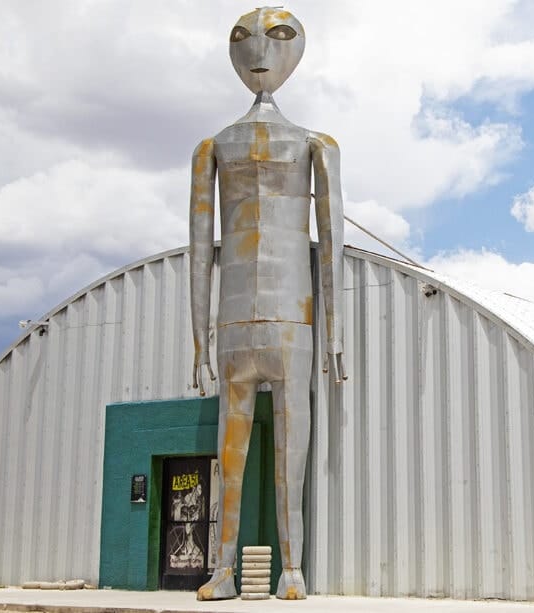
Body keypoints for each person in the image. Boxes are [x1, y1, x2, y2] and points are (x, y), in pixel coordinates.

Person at [188, 6, 345, 601]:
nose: (259, 53)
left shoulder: (315, 144)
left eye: (277, 38)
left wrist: (332, 332)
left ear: (296, 51)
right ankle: (223, 568)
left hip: (292, 320)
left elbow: (330, 243)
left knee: (289, 456)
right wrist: (199, 343)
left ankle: (293, 568)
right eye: (244, 40)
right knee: (229, 460)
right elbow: (199, 249)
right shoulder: (212, 148)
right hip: (234, 324)